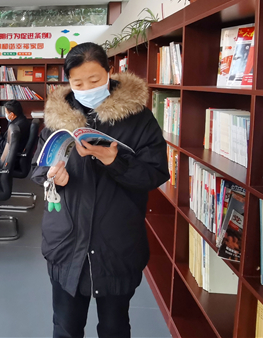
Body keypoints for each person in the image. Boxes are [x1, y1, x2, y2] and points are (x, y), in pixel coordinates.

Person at [31, 42, 169, 338]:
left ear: (110, 72)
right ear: (68, 81)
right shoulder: (57, 118)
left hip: (117, 244)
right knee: (65, 328)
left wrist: (115, 162)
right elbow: (38, 169)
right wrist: (53, 177)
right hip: (66, 242)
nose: (86, 88)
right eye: (78, 83)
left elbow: (156, 174)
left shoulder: (139, 118)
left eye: (94, 80)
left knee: (114, 328)